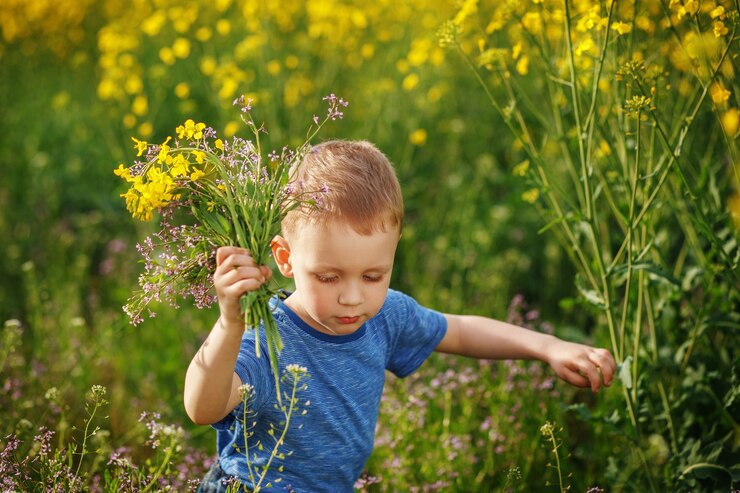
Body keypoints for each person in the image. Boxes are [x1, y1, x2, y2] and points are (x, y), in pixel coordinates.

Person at [185, 140, 616, 492]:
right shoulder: (269, 339)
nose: (353, 298)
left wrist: (549, 347)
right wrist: (229, 323)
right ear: (285, 258)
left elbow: (460, 331)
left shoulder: (385, 313)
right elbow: (202, 408)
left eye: (373, 275)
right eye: (328, 277)